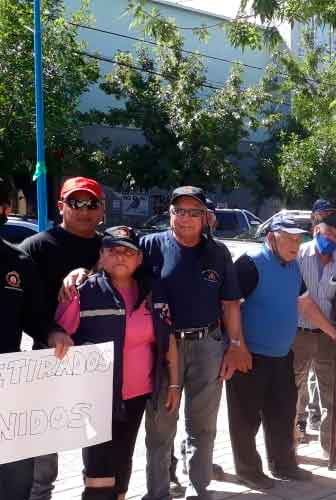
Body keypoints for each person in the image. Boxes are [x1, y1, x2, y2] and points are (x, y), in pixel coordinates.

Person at [60, 186, 252, 500]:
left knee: (203, 426)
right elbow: (117, 258)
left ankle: (198, 489)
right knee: (160, 427)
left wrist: (236, 343)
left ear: (205, 217)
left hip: (207, 344)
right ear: (170, 214)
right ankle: (158, 492)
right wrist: (80, 273)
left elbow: (230, 302)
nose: (186, 218)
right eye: (179, 211)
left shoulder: (218, 252)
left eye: (194, 212)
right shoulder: (150, 245)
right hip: (162, 347)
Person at [50, 226, 180, 500]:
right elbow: (58, 341)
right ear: (101, 255)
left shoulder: (153, 293)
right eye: (113, 250)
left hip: (136, 395)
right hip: (96, 399)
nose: (121, 256)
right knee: (99, 473)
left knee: (122, 463)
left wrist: (174, 384)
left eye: (128, 251)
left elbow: (168, 342)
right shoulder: (82, 291)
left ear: (139, 259)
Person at [227, 214, 336, 489]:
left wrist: (333, 331)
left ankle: (283, 464)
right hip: (251, 356)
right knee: (245, 419)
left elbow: (305, 305)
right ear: (271, 237)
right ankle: (248, 470)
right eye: (289, 238)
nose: (295, 244)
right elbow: (230, 305)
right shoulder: (250, 263)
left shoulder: (293, 267)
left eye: (298, 239)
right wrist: (236, 347)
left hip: (282, 355)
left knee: (282, 414)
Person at [19, 176, 106, 500]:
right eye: (76, 202)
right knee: (45, 442)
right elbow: (24, 308)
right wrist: (51, 331)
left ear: (102, 209)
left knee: (98, 439)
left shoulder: (110, 247)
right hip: (50, 355)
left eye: (91, 203)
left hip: (100, 357)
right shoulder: (36, 247)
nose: (84, 210)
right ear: (61, 207)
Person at [0, 176, 51, 499]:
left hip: (8, 384)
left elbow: (37, 319)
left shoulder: (18, 262)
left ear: (3, 209)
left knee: (15, 477)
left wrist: (55, 334)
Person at [294, 211, 336, 459]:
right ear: (316, 230)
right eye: (329, 232)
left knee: (330, 394)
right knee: (292, 392)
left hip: (328, 336)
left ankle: (330, 446)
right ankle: (290, 444)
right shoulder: (297, 254)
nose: (333, 238)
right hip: (296, 333)